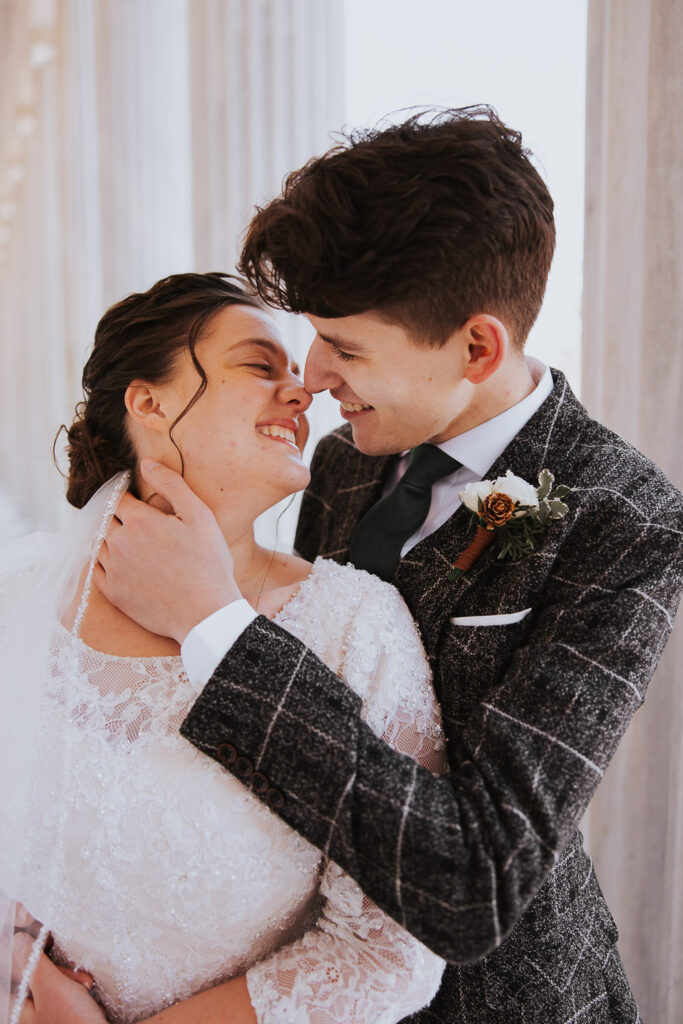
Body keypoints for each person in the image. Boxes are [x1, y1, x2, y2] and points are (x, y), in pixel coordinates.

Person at [38, 107, 683, 1022]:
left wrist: (211, 623)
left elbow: (479, 881)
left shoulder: (624, 520)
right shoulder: (344, 462)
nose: (313, 378)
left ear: (476, 347)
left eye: (343, 347)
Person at [0, 272, 449, 1023]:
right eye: (258, 365)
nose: (302, 392)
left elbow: (391, 952)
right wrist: (18, 963)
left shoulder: (353, 625)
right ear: (149, 403)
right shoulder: (17, 600)